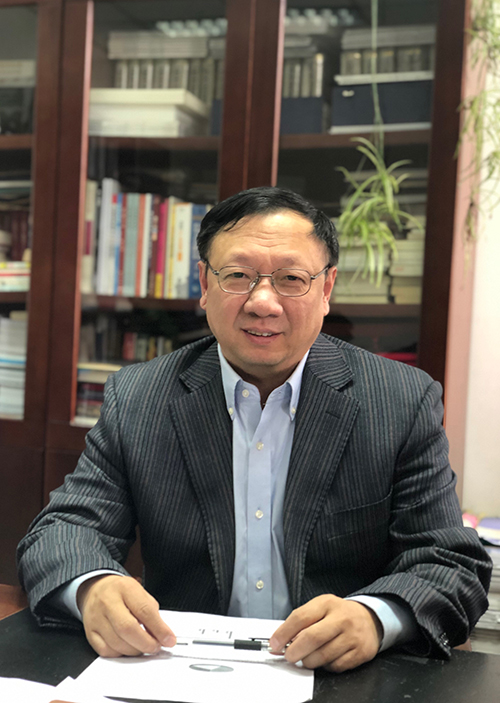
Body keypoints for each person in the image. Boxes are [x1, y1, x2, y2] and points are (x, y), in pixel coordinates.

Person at [17, 187, 491, 674]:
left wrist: (375, 617)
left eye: (291, 279)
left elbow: (449, 563)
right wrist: (92, 587)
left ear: (326, 290)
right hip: (180, 669)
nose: (263, 302)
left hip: (338, 677)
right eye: (238, 276)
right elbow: (63, 532)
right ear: (205, 284)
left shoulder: (399, 400)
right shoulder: (139, 398)